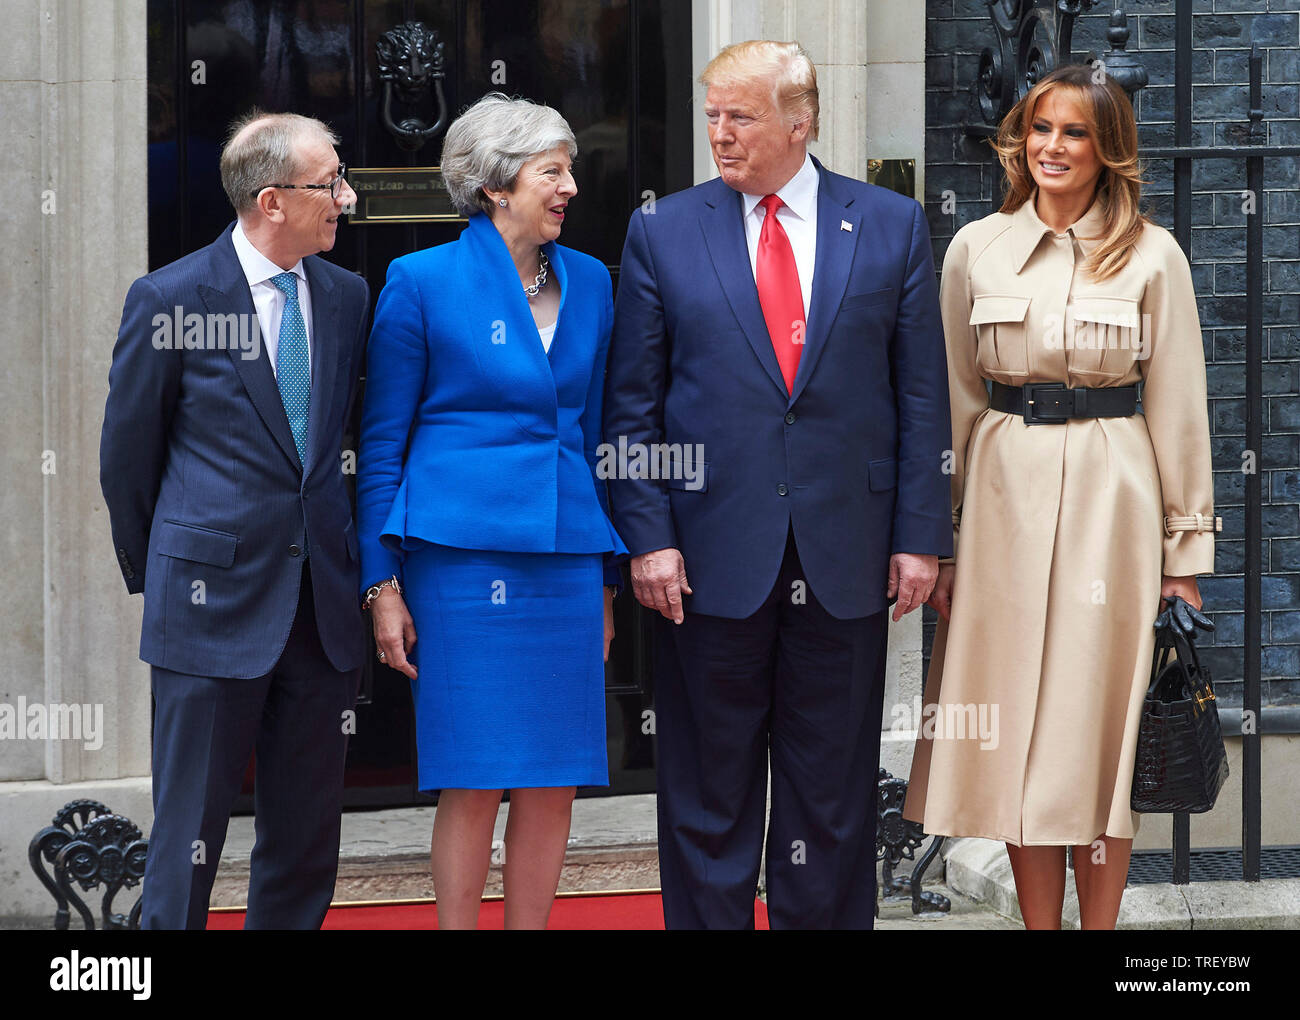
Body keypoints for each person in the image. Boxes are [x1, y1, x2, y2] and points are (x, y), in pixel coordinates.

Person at [604, 40, 953, 929]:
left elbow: (920, 395)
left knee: (830, 794)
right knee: (707, 793)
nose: (719, 135)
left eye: (740, 116)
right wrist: (647, 536)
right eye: (712, 115)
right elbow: (631, 407)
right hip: (706, 560)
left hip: (847, 556)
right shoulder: (663, 229)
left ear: (802, 121)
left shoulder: (889, 223)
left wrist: (921, 535)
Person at [903, 64, 1219, 930]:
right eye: (1040, 128)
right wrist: (946, 543)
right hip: (1001, 497)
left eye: (1074, 132)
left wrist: (1183, 562)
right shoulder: (976, 249)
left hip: (1113, 505)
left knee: (1094, 741)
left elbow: (1181, 408)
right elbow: (955, 403)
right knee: (1010, 741)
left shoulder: (1155, 255)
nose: (1051, 147)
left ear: (1107, 148)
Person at [356, 93, 626, 930]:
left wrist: (608, 582)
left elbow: (599, 437)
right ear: (496, 187)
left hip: (566, 559)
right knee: (473, 774)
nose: (571, 187)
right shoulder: (422, 281)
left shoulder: (592, 282)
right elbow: (382, 443)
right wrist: (381, 583)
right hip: (461, 561)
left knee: (553, 775)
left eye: (570, 169)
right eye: (553, 171)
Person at [100, 111, 367, 929]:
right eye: (330, 185)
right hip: (207, 612)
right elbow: (126, 462)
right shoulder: (172, 297)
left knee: (304, 840)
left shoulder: (348, 296)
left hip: (319, 611)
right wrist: (173, 577)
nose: (346, 199)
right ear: (272, 199)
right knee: (188, 840)